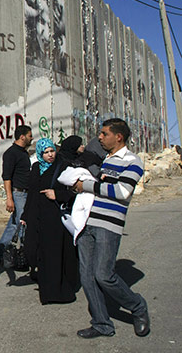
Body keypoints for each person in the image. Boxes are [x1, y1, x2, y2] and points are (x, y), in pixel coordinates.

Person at [72, 118, 150, 339]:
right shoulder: (105, 160)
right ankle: (102, 324)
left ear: (119, 137)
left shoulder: (132, 161)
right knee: (87, 277)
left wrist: (86, 185)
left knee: (104, 275)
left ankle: (138, 306)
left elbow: (122, 191)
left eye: (104, 133)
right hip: (88, 223)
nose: (100, 137)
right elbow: (104, 187)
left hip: (108, 225)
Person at [21, 137, 80, 304]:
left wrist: (57, 194)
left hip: (55, 218)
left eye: (52, 151)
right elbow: (31, 193)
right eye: (46, 152)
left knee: (55, 255)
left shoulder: (63, 167)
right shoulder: (36, 167)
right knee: (35, 251)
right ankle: (46, 289)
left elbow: (75, 192)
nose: (50, 155)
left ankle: (59, 292)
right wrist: (25, 216)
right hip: (36, 217)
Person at [0, 125, 33, 263]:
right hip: (18, 194)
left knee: (15, 223)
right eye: (29, 135)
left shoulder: (23, 153)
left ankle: (2, 251)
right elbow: (7, 177)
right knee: (21, 224)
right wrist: (9, 198)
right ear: (22, 136)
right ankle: (19, 254)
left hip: (25, 193)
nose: (31, 138)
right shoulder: (11, 153)